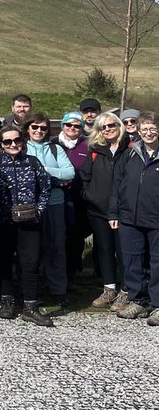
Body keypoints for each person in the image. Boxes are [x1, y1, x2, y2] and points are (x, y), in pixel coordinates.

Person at [0, 125, 53, 326]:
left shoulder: (32, 162)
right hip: (2, 222)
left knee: (30, 262)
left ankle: (30, 306)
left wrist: (39, 211)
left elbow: (45, 189)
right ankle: (7, 300)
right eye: (8, 141)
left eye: (17, 140)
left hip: (29, 222)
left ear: (22, 142)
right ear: (1, 143)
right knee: (3, 261)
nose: (13, 144)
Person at [109, 113, 159, 324]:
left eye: (153, 129)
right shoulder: (130, 153)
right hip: (129, 217)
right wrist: (113, 212)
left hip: (156, 217)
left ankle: (157, 305)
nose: (148, 133)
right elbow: (117, 185)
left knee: (157, 263)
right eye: (144, 129)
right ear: (138, 132)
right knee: (132, 261)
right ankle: (139, 301)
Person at [25, 112, 75, 304]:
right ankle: (30, 291)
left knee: (56, 247)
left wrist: (43, 170)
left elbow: (69, 172)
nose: (38, 131)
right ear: (28, 128)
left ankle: (58, 290)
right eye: (35, 127)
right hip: (29, 205)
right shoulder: (20, 147)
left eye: (43, 128)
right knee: (30, 250)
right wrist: (56, 178)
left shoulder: (56, 149)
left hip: (54, 204)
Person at [83, 112, 127, 309]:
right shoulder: (95, 150)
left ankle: (127, 290)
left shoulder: (130, 149)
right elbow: (84, 177)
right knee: (105, 250)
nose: (108, 129)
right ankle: (109, 289)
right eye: (103, 127)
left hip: (124, 212)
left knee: (125, 252)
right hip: (98, 211)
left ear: (119, 126)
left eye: (112, 125)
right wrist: (89, 196)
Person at [56, 111, 91, 279]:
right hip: (56, 197)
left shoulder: (87, 145)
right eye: (68, 124)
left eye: (77, 126)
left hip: (79, 198)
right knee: (58, 235)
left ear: (82, 128)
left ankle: (73, 272)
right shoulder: (53, 143)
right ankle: (56, 272)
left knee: (76, 236)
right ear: (62, 126)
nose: (72, 128)